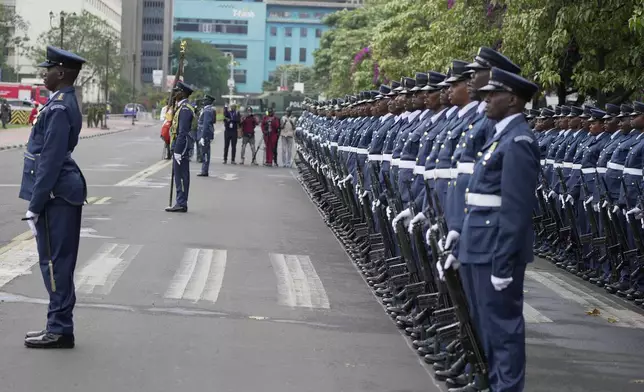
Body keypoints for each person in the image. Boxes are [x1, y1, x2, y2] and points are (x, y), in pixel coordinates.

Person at [450, 67, 539, 392]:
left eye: (493, 94)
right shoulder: (500, 137)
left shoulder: (518, 141)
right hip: (478, 243)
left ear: (513, 99)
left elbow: (515, 212)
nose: (486, 99)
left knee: (503, 330)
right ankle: (491, 384)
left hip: (495, 248)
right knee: (484, 326)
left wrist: (503, 262)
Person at [20, 46, 88, 349]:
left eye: (47, 69)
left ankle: (60, 328)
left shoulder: (59, 107)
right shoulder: (60, 102)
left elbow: (50, 159)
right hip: (59, 191)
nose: (43, 73)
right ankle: (57, 324)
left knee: (55, 263)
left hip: (56, 194)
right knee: (56, 262)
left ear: (60, 73)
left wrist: (35, 206)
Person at [165, 81, 195, 213]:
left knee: (181, 175)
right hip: (179, 145)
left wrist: (177, 150)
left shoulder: (185, 109)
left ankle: (181, 202)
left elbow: (182, 131)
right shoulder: (180, 107)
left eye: (176, 91)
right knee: (179, 174)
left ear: (182, 93)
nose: (174, 94)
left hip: (181, 147)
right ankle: (181, 201)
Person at [197, 95, 216, 176]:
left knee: (205, 153)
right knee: (204, 152)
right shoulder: (207, 110)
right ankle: (204, 170)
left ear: (209, 101)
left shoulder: (207, 111)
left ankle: (204, 171)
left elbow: (206, 124)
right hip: (204, 134)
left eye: (205, 100)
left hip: (205, 134)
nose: (203, 102)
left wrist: (203, 137)